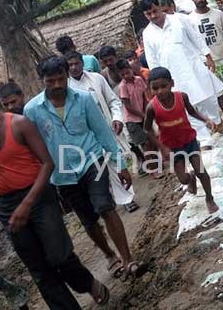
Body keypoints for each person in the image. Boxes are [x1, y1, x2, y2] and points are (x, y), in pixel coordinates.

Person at [0, 78, 110, 308]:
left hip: (38, 197)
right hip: (6, 205)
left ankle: (87, 283)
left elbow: (47, 164)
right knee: (39, 270)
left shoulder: (19, 124)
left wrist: (26, 204)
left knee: (59, 256)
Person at [24, 56, 144, 279]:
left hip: (92, 161)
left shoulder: (84, 99)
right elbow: (33, 149)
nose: (57, 85)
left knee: (105, 207)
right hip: (62, 174)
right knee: (88, 220)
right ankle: (110, 255)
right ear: (42, 80)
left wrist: (120, 165)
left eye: (61, 79)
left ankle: (128, 259)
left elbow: (102, 133)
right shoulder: (32, 111)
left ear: (67, 76)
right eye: (51, 81)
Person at [140, 0, 223, 143]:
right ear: (144, 15)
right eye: (149, 14)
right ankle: (204, 138)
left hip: (193, 66)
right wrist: (156, 81)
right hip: (171, 75)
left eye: (155, 11)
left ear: (160, 7)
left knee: (207, 98)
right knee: (186, 106)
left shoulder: (179, 19)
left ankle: (216, 124)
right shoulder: (147, 33)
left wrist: (208, 57)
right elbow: (152, 59)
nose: (153, 16)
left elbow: (196, 38)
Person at [65, 51, 140, 213]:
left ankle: (126, 199)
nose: (74, 67)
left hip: (106, 129)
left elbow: (113, 101)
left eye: (76, 63)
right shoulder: (66, 88)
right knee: (98, 168)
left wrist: (117, 118)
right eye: (70, 65)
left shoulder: (96, 79)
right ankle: (109, 199)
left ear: (82, 63)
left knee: (115, 162)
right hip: (85, 136)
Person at [144, 67, 223, 213]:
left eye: (163, 86)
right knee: (184, 180)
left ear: (171, 83)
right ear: (150, 89)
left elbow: (192, 111)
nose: (160, 91)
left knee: (202, 171)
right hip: (172, 148)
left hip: (189, 141)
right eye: (155, 88)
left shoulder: (182, 97)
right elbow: (147, 129)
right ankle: (190, 178)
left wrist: (206, 120)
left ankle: (209, 198)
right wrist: (161, 147)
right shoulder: (151, 108)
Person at [116, 59, 160, 179]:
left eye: (127, 72)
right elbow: (128, 107)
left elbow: (144, 97)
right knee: (144, 144)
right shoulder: (122, 87)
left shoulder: (139, 80)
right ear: (119, 75)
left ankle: (156, 164)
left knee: (152, 140)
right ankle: (153, 170)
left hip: (143, 114)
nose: (126, 76)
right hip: (132, 120)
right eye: (122, 74)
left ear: (131, 70)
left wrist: (147, 110)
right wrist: (142, 115)